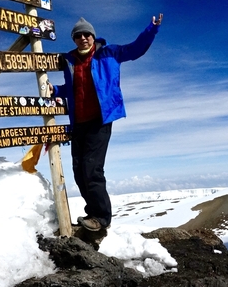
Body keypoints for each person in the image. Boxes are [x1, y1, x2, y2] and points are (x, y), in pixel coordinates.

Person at [49, 14, 163, 231]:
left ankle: (101, 218)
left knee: (92, 169)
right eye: (78, 35)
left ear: (93, 36)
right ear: (74, 39)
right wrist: (55, 90)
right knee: (78, 170)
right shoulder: (70, 60)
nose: (83, 38)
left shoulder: (109, 53)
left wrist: (152, 29)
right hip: (78, 122)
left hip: (100, 120)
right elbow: (72, 88)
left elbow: (136, 49)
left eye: (86, 34)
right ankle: (92, 213)